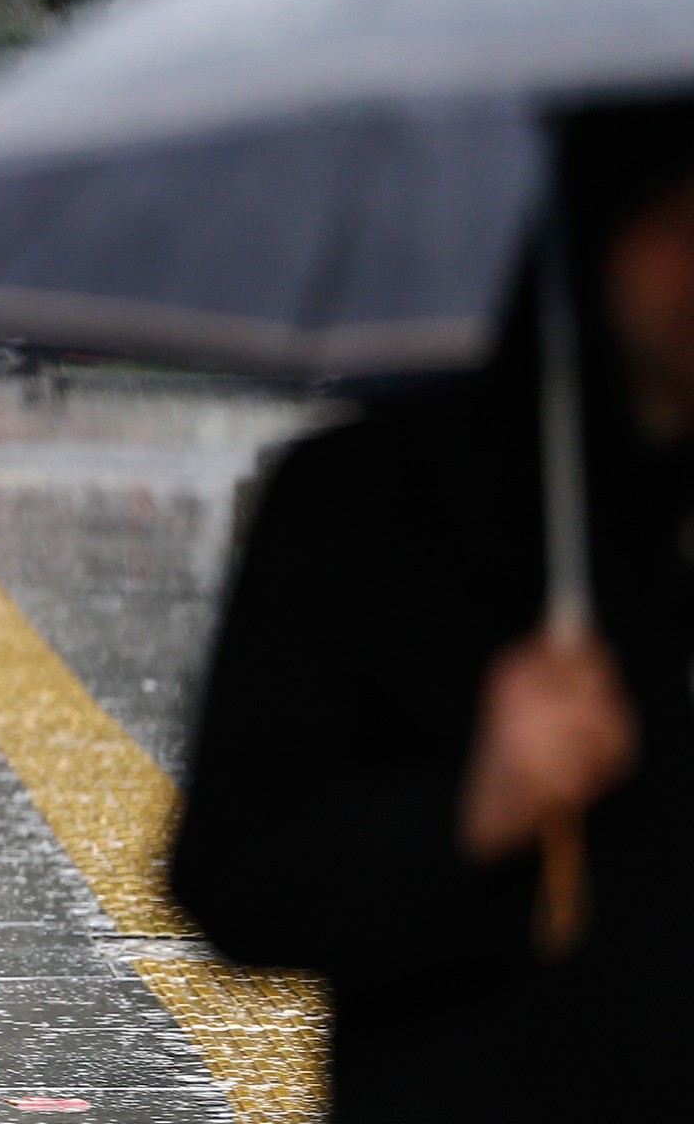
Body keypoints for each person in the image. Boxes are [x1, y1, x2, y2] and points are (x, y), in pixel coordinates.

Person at [171, 104, 694, 1121]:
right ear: (588, 231)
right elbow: (233, 872)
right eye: (674, 225)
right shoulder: (370, 500)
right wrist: (468, 813)